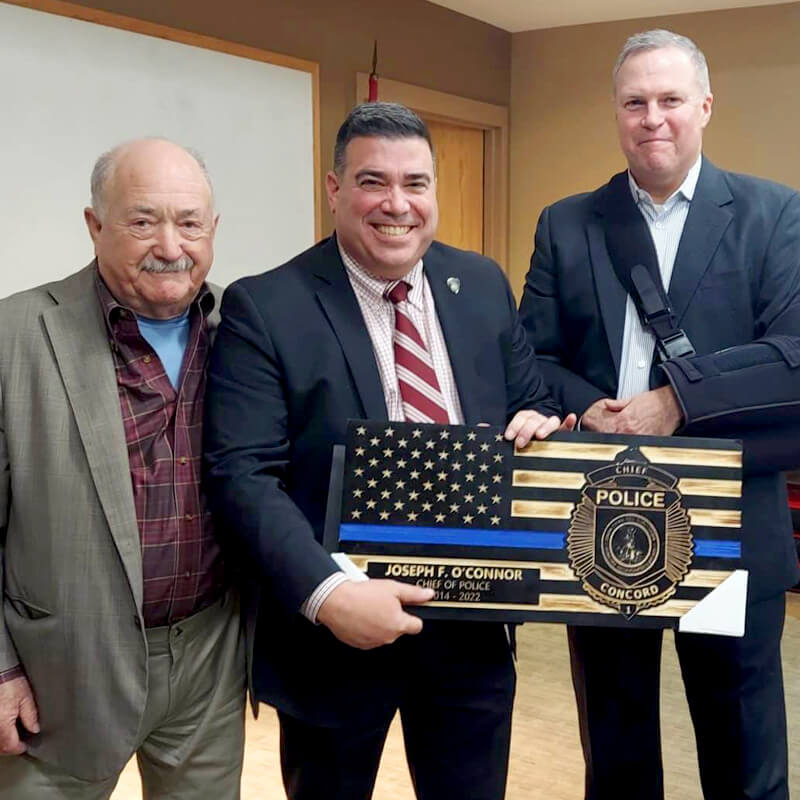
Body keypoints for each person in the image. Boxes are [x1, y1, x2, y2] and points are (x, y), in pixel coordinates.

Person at [204, 101, 574, 800]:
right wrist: (329, 593)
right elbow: (242, 477)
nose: (398, 205)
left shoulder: (484, 286)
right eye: (374, 181)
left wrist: (542, 423)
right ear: (335, 189)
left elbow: (537, 402)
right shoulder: (267, 306)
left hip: (472, 633)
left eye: (417, 183)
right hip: (335, 637)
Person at [519, 29, 800, 800]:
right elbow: (531, 358)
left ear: (704, 106)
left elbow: (794, 353)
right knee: (616, 747)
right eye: (635, 102)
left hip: (729, 519)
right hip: (604, 517)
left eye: (671, 100)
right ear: (616, 113)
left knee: (743, 750)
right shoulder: (567, 222)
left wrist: (678, 400)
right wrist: (590, 410)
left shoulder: (774, 215)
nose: (653, 118)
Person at [0, 138, 245, 798]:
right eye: (142, 220)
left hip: (210, 661)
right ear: (94, 225)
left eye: (190, 222)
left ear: (212, 229)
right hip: (59, 673)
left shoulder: (243, 331)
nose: (171, 245)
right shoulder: (15, 336)